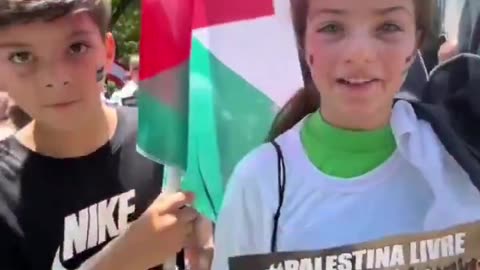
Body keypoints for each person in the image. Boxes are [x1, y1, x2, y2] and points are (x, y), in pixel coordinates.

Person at [212, 0, 480, 269]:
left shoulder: (461, 154)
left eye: (388, 26)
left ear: (415, 43)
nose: (359, 53)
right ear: (303, 42)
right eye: (332, 27)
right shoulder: (261, 183)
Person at [0, 1, 212, 269]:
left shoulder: (166, 141)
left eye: (76, 48)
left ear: (108, 52)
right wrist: (121, 260)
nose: (55, 77)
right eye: (22, 56)